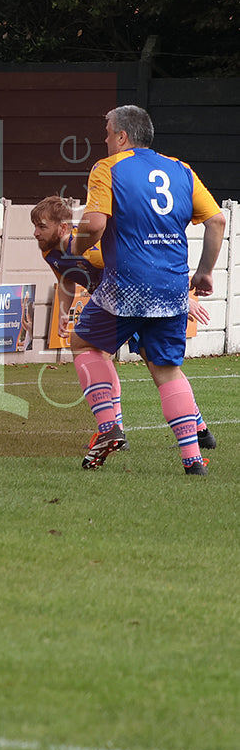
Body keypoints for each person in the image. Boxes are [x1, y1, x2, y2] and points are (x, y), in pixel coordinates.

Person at [68, 106, 226, 474]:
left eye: (107, 132)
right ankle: (192, 460)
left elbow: (93, 225)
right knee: (167, 370)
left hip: (126, 285)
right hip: (172, 287)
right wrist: (203, 273)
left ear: (122, 136)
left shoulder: (107, 169)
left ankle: (109, 426)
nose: (105, 139)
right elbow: (217, 220)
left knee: (86, 345)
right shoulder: (181, 170)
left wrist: (77, 248)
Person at [30, 195, 216, 450]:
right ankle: (116, 431)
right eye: (36, 226)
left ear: (63, 227)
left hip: (138, 306)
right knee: (102, 356)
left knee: (159, 368)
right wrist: (63, 312)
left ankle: (197, 432)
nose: (35, 233)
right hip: (113, 310)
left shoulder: (91, 248)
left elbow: (144, 268)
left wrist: (181, 298)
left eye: (41, 226)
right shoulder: (49, 252)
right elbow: (66, 282)